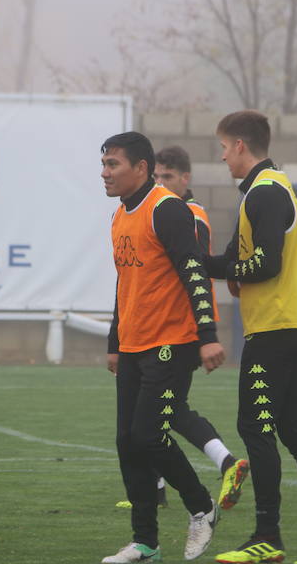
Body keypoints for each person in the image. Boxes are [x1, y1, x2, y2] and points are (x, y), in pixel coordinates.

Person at [204, 111, 297, 564]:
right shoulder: (261, 189)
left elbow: (265, 265)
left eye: (223, 146)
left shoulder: (266, 192)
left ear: (239, 146)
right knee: (295, 431)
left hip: (276, 327)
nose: (221, 155)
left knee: (255, 428)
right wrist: (190, 262)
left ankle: (266, 536)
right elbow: (232, 260)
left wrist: (228, 270)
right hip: (290, 324)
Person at [101, 132, 224, 563]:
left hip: (173, 343)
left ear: (141, 168)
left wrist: (207, 337)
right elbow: (124, 284)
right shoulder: (119, 216)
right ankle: (145, 542)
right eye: (104, 164)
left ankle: (201, 505)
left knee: (149, 436)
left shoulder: (167, 210)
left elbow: (195, 272)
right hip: (134, 346)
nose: (105, 172)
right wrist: (115, 343)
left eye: (113, 164)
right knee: (127, 441)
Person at [127, 145, 248, 510]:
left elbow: (190, 270)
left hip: (178, 327)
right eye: (157, 177)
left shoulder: (187, 215)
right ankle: (161, 485)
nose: (160, 183)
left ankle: (223, 464)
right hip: (164, 327)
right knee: (158, 409)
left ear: (185, 179)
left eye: (167, 177)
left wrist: (202, 331)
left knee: (164, 409)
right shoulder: (162, 211)